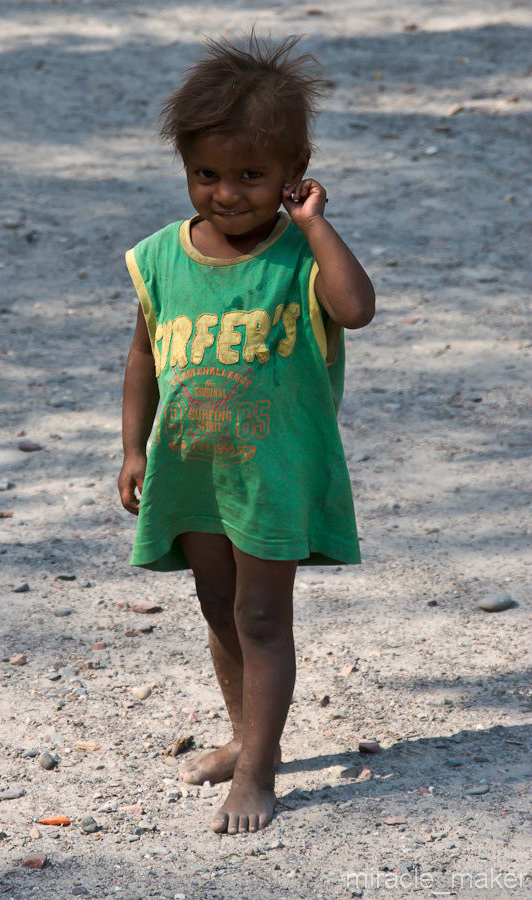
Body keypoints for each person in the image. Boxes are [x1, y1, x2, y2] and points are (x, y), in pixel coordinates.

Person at [118, 32, 375, 835]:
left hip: (272, 472)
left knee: (262, 618)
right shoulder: (161, 256)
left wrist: (317, 225)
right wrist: (133, 447)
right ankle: (241, 736)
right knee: (217, 605)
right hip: (192, 467)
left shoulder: (302, 255)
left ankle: (259, 770)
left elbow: (357, 309)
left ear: (295, 167)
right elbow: (144, 353)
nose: (226, 194)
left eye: (251, 176)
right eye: (206, 174)